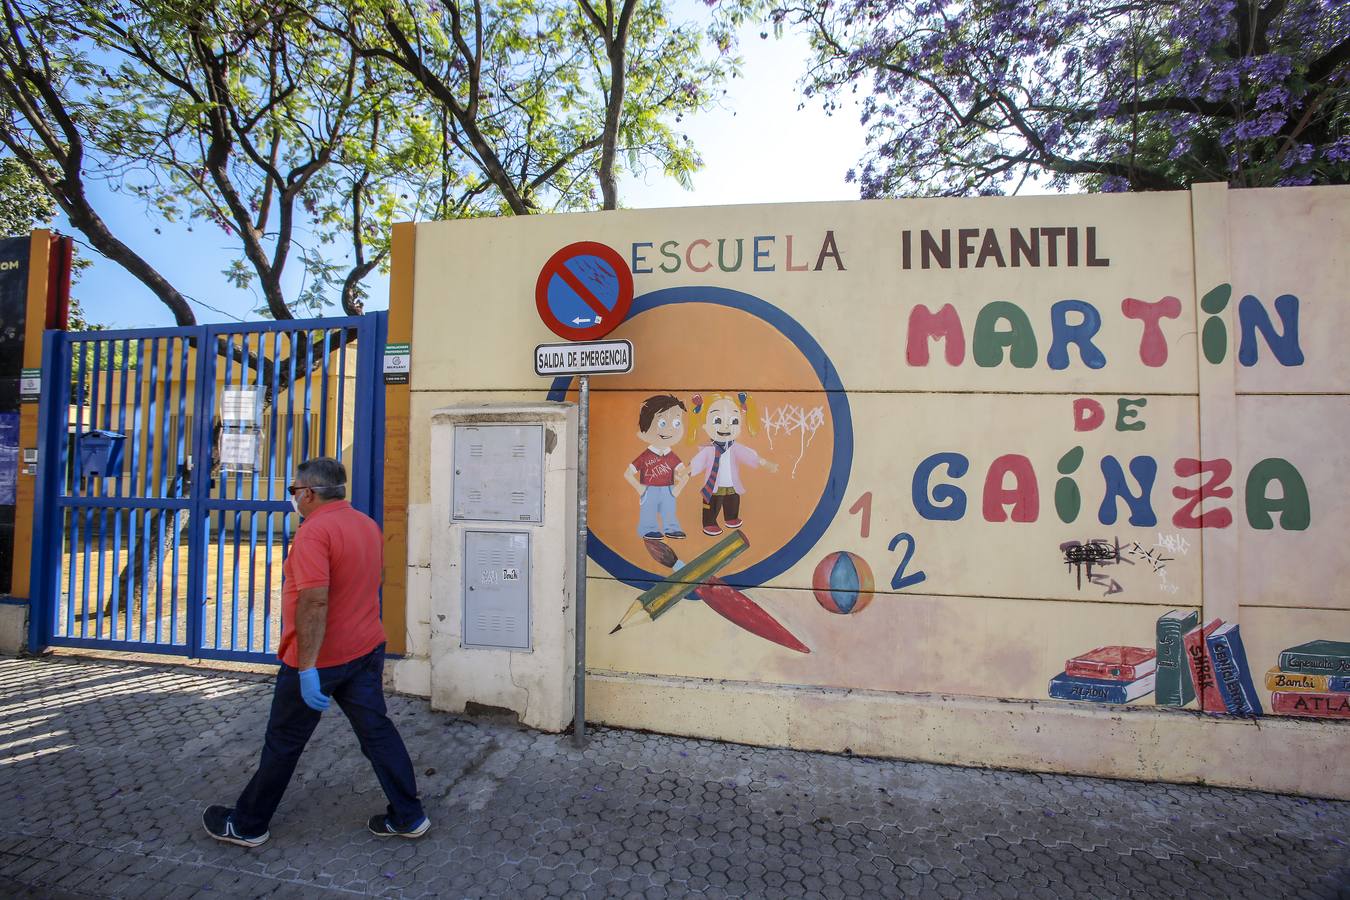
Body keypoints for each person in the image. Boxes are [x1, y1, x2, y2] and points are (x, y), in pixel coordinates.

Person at [203, 457, 428, 847]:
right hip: (365, 649)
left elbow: (314, 602)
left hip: (320, 661)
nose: (294, 497)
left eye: (294, 491)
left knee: (284, 742)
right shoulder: (366, 524)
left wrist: (306, 667)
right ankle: (409, 816)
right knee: (377, 732)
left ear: (307, 492)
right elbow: (376, 579)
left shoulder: (313, 533)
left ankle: (247, 824)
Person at [623, 394, 689, 540]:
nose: (670, 430)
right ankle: (648, 529)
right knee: (648, 511)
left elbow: (684, 473)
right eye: (662, 423)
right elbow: (628, 473)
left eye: (677, 423)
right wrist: (640, 488)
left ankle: (672, 528)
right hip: (649, 488)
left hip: (668, 489)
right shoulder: (646, 456)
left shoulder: (671, 456)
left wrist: (681, 483)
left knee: (669, 511)